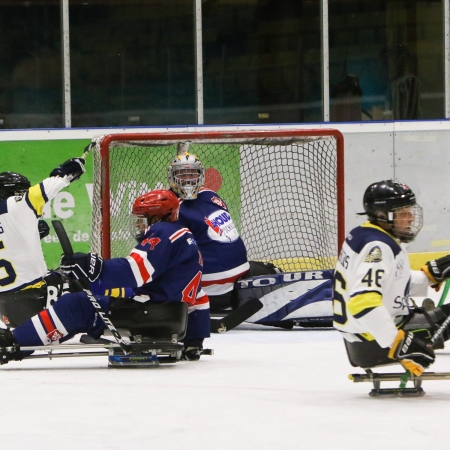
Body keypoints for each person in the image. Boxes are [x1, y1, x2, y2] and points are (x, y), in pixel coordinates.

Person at [0, 189, 210, 364]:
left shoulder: (164, 232)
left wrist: (93, 266)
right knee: (91, 291)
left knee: (76, 305)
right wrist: (194, 339)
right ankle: (21, 339)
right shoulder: (184, 236)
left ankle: (11, 342)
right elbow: (199, 294)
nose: (138, 224)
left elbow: (136, 271)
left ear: (155, 217)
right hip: (168, 314)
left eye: (141, 219)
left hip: (151, 313)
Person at [333, 180, 450, 376]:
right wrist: (396, 342)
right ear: (382, 215)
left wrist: (428, 277)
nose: (411, 218)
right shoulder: (378, 247)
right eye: (403, 213)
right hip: (377, 342)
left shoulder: (365, 234)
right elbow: (362, 303)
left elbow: (388, 284)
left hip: (363, 337)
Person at [167, 152, 278, 315]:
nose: (188, 179)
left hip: (226, 281)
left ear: (201, 175)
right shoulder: (188, 204)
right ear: (172, 177)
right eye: (182, 175)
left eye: (192, 173)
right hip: (222, 281)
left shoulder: (208, 196)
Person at [0, 159, 86, 328]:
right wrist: (68, 171)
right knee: (80, 274)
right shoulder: (17, 204)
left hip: (4, 307)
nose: (23, 194)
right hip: (33, 298)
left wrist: (29, 235)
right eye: (21, 192)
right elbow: (51, 185)